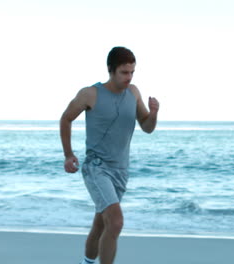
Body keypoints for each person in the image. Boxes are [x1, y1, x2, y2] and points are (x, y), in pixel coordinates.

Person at [60, 46, 159, 264]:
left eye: (132, 72)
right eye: (124, 72)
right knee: (115, 222)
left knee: (102, 224)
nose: (129, 77)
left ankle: (86, 262)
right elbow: (66, 118)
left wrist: (153, 114)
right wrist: (68, 154)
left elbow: (147, 127)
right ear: (110, 70)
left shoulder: (133, 93)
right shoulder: (90, 94)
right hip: (97, 168)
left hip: (121, 171)